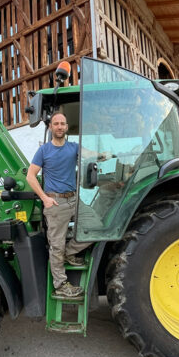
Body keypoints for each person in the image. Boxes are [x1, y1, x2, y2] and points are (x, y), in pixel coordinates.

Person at [27, 112, 103, 298]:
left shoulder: (73, 147)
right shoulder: (44, 151)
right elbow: (30, 176)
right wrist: (45, 198)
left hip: (74, 199)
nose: (60, 126)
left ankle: (70, 252)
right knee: (56, 245)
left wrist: (107, 155)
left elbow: (90, 155)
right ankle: (61, 284)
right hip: (55, 202)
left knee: (97, 226)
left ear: (67, 127)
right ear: (51, 127)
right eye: (56, 124)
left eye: (63, 123)